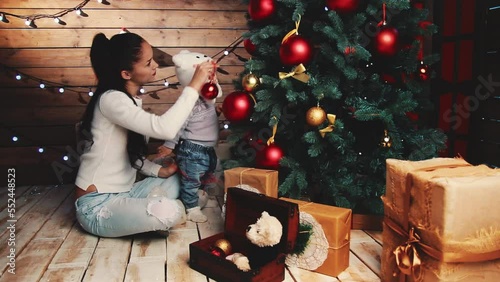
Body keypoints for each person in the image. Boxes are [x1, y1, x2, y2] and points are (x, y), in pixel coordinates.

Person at [74, 32, 215, 237]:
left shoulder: (129, 100)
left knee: (184, 175)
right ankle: (167, 210)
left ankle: (152, 210)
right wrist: (194, 84)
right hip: (96, 204)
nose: (155, 66)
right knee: (170, 212)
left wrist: (161, 172)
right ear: (126, 74)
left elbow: (129, 156)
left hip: (127, 191)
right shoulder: (111, 100)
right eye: (148, 63)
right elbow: (165, 128)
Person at [151, 83, 222, 223]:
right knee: (191, 181)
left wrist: (216, 112)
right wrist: (169, 146)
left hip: (208, 150)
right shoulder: (191, 105)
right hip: (191, 150)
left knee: (209, 172)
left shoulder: (209, 102)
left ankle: (199, 195)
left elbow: (202, 121)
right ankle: (191, 208)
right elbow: (177, 126)